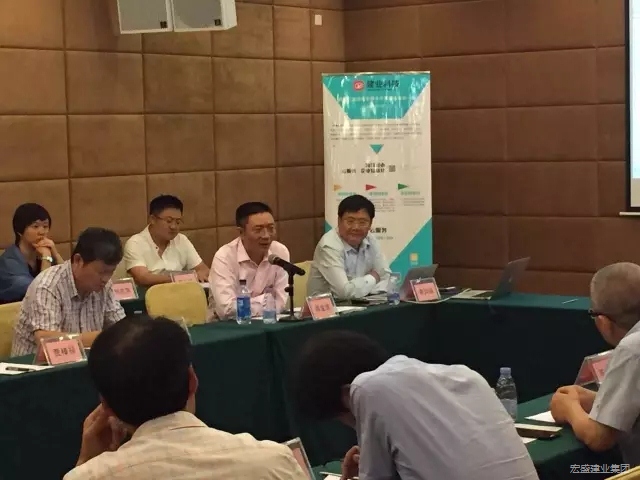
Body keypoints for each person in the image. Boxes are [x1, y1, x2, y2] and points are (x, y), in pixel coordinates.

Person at [64, 314, 308, 480]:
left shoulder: (90, 476)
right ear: (193, 380)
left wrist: (86, 461)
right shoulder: (273, 462)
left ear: (105, 406)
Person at [292, 331, 539, 480]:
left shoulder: (367, 387)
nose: (356, 426)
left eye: (347, 420)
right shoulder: (467, 375)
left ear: (348, 394)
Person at [550, 262, 640, 466]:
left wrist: (569, 408)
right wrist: (598, 400)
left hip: (630, 471)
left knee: (578, 470)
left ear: (603, 322)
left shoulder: (632, 349)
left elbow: (599, 438)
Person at [11, 227, 126, 356]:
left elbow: (121, 327)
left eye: (111, 272)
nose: (106, 279)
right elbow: (46, 341)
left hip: (84, 361)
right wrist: (101, 338)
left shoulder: (104, 286)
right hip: (35, 366)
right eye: (101, 272)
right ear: (78, 260)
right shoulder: (47, 286)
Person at [209, 202, 289, 320]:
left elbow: (281, 303)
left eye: (271, 228)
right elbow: (227, 310)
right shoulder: (224, 257)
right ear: (241, 232)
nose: (266, 236)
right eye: (258, 230)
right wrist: (266, 301)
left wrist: (246, 304)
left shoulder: (280, 252)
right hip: (229, 326)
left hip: (269, 322)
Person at [307, 195, 390, 300]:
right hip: (329, 308)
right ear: (339, 221)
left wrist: (361, 289)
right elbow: (344, 292)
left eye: (362, 222)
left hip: (361, 304)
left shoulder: (370, 240)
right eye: (350, 221)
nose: (356, 227)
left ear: (370, 224)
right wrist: (373, 278)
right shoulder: (328, 246)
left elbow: (386, 277)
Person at [123, 195, 209, 286]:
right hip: (148, 294)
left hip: (180, 293)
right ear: (152, 219)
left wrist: (200, 273)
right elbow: (143, 278)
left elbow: (203, 269)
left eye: (178, 222)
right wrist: (183, 278)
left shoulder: (181, 240)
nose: (173, 226)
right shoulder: (135, 243)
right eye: (169, 221)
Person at [0, 203, 64, 303]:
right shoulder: (9, 263)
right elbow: (40, 293)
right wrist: (46, 258)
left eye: (45, 226)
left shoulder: (42, 254)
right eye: (35, 226)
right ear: (20, 231)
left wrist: (56, 254)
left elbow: (69, 283)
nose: (42, 232)